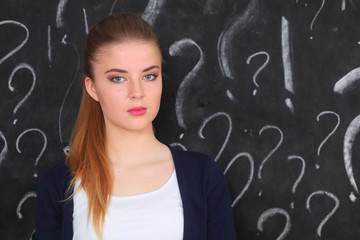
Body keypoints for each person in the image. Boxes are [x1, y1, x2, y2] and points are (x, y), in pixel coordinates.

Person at [32, 12, 236, 240]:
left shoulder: (203, 175)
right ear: (92, 88)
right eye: (118, 78)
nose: (137, 93)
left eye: (149, 76)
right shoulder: (59, 187)